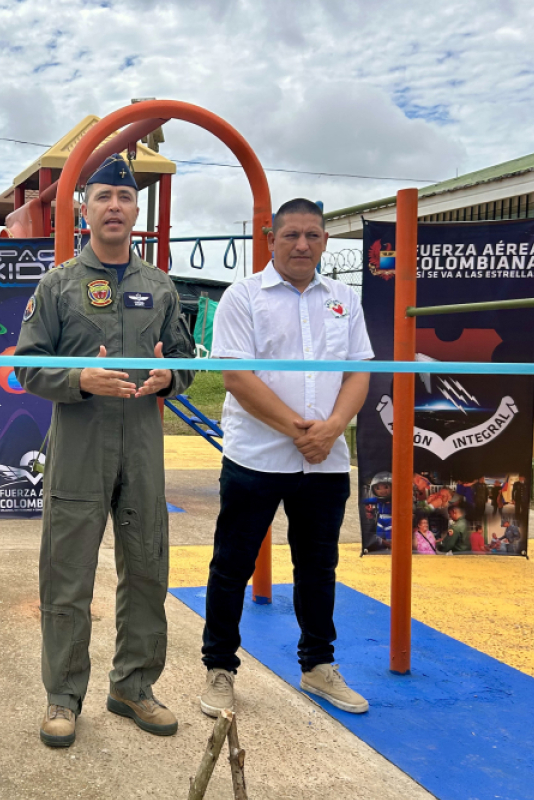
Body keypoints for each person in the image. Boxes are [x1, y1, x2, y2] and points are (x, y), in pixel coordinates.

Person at [16, 154, 196, 747]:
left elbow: (187, 361)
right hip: (78, 447)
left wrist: (171, 379)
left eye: (124, 196)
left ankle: (133, 687)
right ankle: (63, 697)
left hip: (142, 449)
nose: (114, 206)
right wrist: (78, 381)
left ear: (135, 209)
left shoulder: (160, 286)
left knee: (146, 569)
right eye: (103, 197)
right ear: (84, 209)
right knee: (67, 576)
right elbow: (27, 367)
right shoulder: (59, 284)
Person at [198, 198, 373, 719]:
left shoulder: (344, 298)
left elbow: (359, 371)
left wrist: (333, 429)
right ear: (271, 238)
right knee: (231, 568)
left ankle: (318, 665)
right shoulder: (243, 297)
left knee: (318, 568)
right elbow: (236, 377)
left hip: (326, 462)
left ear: (325, 241)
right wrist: (298, 431)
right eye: (292, 235)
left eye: (313, 236)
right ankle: (220, 668)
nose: (303, 245)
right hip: (256, 459)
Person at [362, 472, 393, 553]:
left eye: (386, 487)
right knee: (379, 534)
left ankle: (390, 547)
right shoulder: (378, 500)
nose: (382, 491)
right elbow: (368, 500)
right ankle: (382, 547)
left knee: (390, 535)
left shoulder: (393, 500)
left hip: (390, 519)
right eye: (378, 488)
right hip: (380, 519)